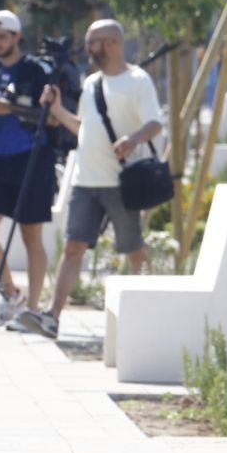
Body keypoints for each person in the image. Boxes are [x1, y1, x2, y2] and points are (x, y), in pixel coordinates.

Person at [29, 19, 163, 339]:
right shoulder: (91, 84)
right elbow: (83, 129)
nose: (88, 49)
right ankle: (52, 315)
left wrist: (132, 139)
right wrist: (58, 110)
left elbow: (155, 123)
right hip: (86, 181)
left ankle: (145, 318)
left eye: (94, 42)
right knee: (73, 247)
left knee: (133, 249)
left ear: (113, 43)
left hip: (121, 183)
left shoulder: (137, 80)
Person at [0, 9, 60, 329]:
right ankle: (11, 293)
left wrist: (9, 108)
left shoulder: (36, 70)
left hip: (32, 159)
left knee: (30, 235)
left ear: (17, 36)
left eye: (2, 37)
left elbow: (50, 117)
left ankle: (33, 309)